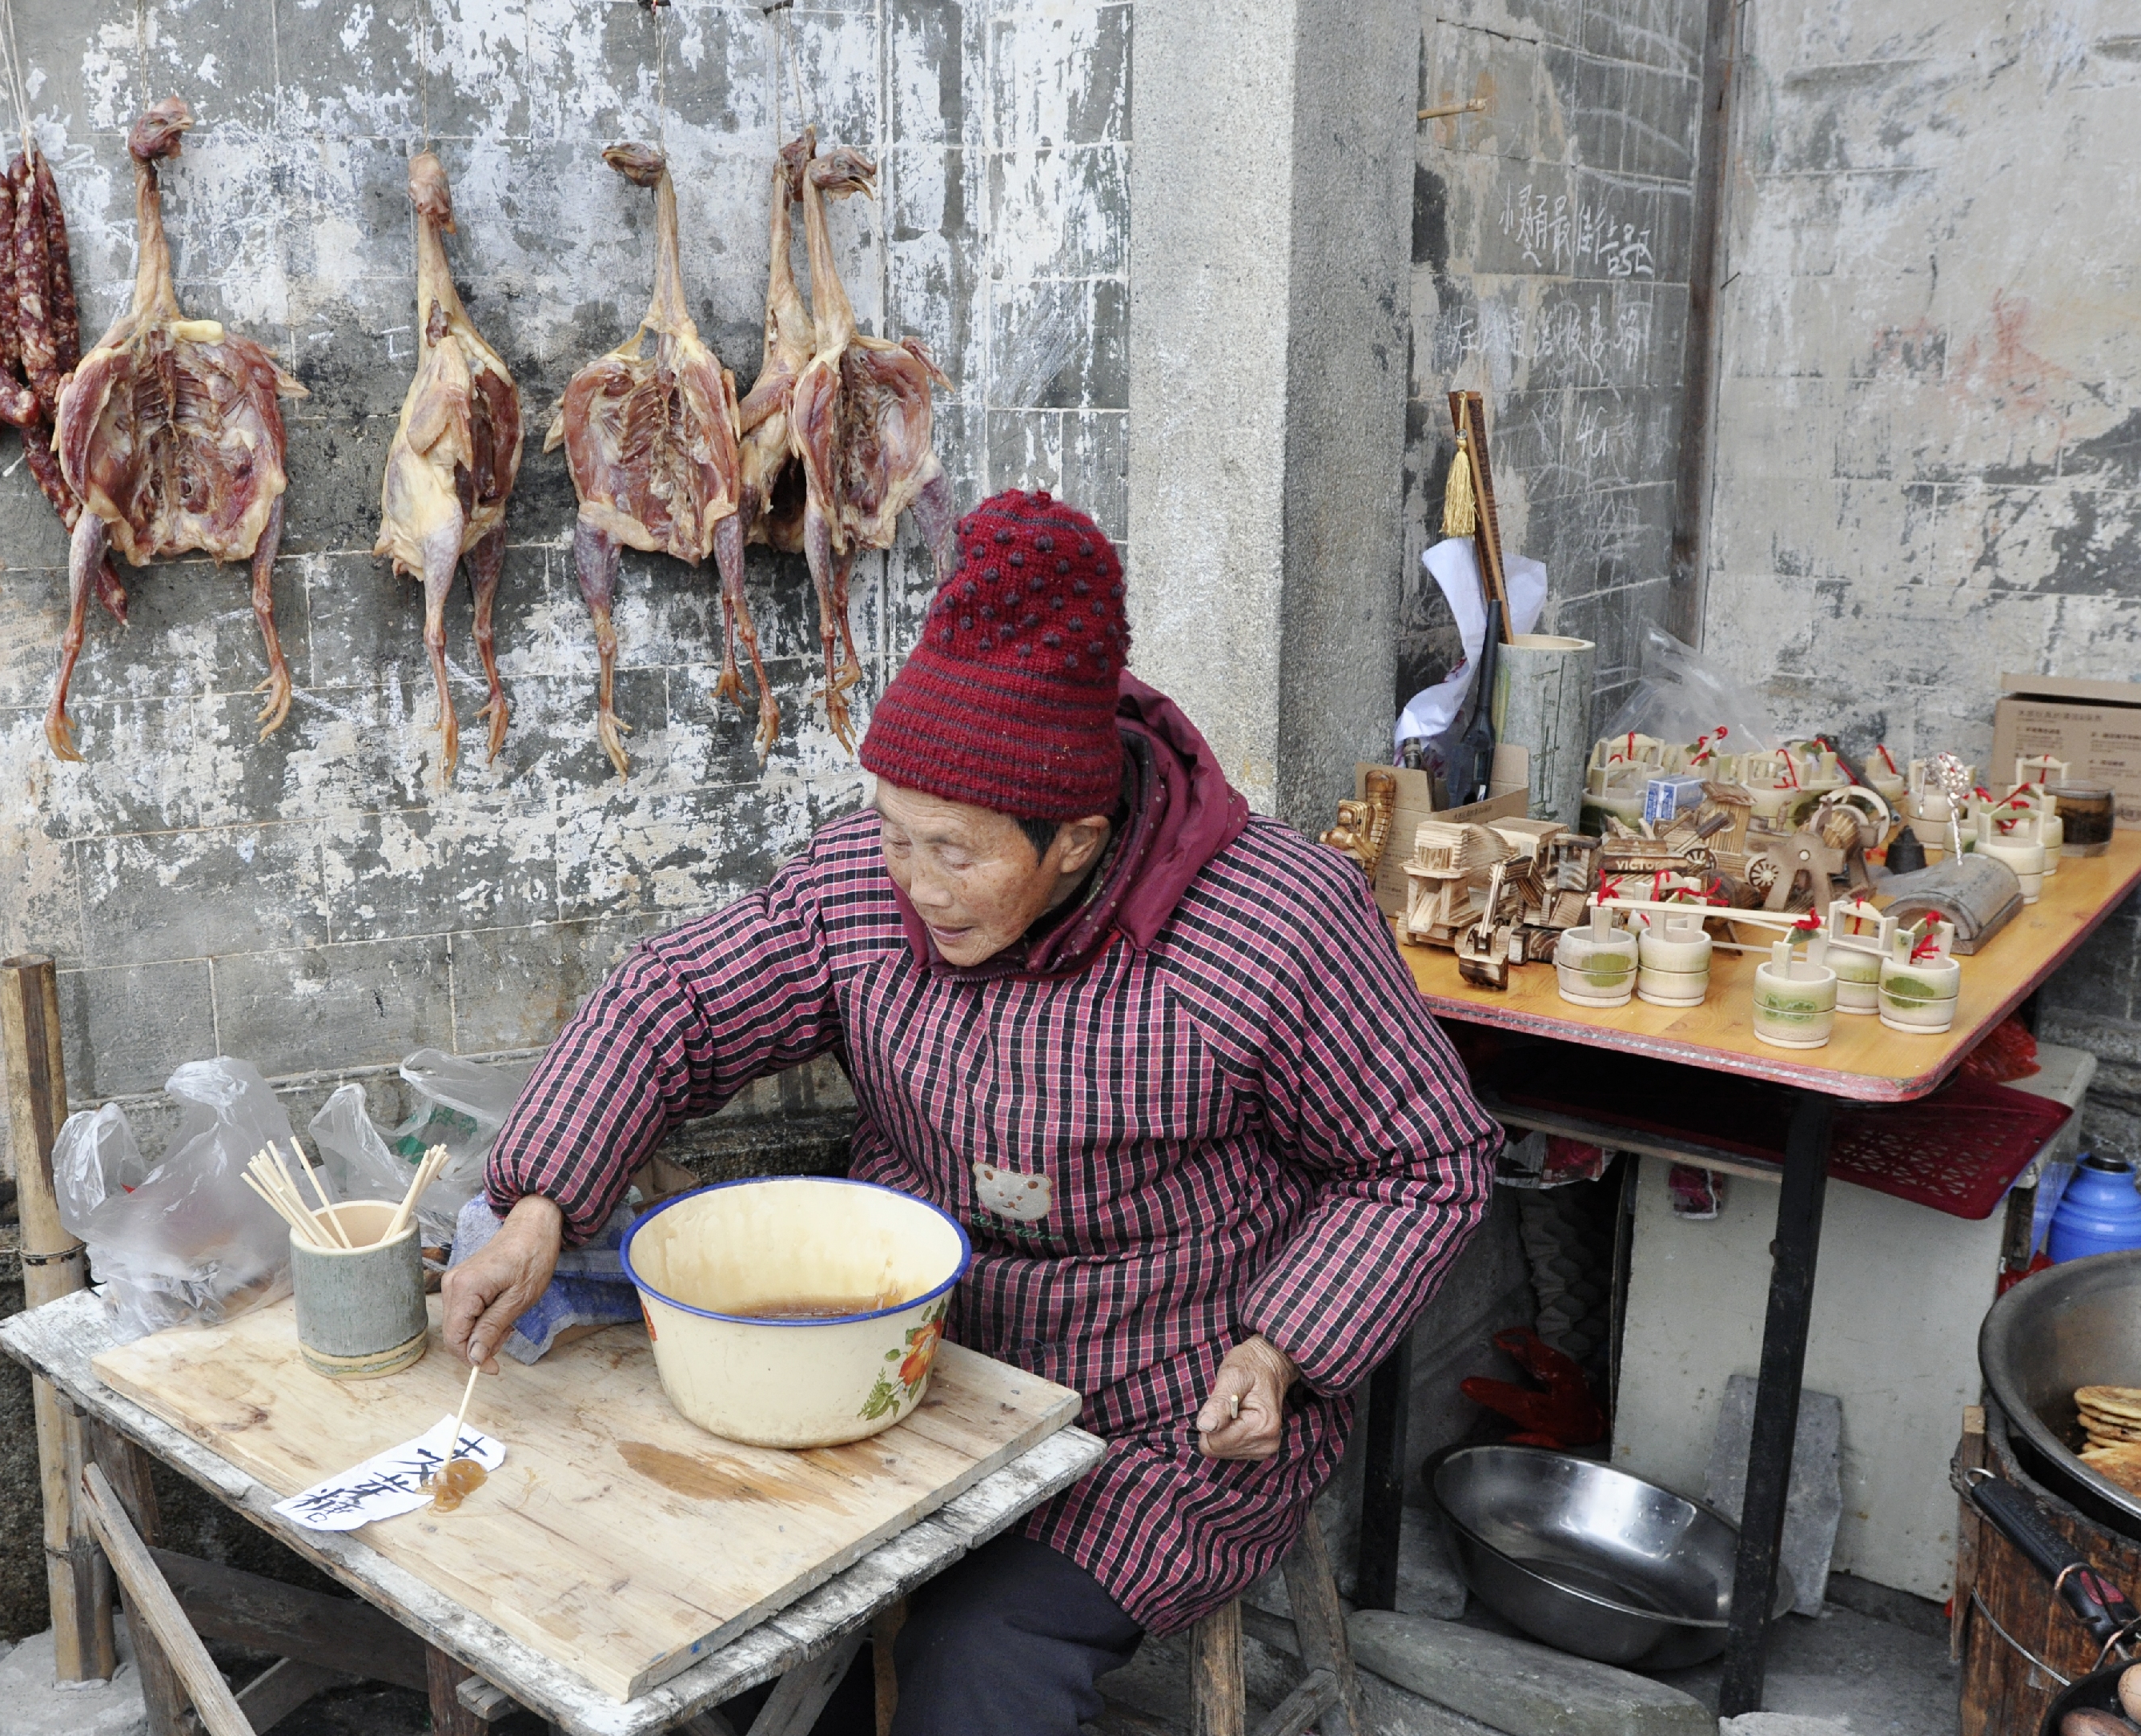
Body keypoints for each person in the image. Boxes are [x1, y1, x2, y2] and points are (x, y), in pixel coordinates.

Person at [442, 489, 1500, 1735]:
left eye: (957, 853)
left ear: (1076, 841)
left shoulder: (1273, 923)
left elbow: (1425, 1161)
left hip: (1158, 1410)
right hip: (899, 1371)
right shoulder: (865, 887)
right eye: (895, 834)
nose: (915, 883)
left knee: (974, 1655)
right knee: (723, 1608)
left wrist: (1280, 1347)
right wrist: (539, 1202)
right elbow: (677, 1002)